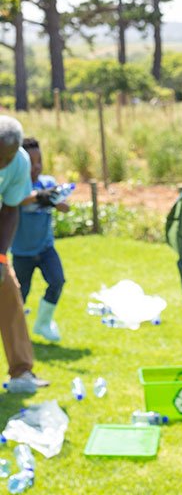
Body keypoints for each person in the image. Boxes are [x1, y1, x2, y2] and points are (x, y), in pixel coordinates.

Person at [0, 117, 50, 394]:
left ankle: (21, 373)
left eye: (7, 157)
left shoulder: (19, 162)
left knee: (8, 293)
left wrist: (0, 257)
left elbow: (10, 209)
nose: (2, 163)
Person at [12, 137, 71, 342]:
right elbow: (20, 199)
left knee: (57, 281)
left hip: (46, 249)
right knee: (20, 294)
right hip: (22, 252)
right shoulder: (17, 185)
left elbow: (63, 204)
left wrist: (58, 202)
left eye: (40, 161)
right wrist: (41, 196)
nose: (36, 166)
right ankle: (15, 330)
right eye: (31, 162)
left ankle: (43, 323)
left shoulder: (48, 183)